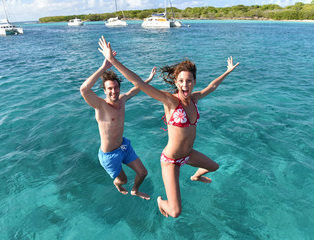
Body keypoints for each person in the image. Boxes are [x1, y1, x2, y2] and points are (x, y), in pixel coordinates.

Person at [98, 36, 239, 217]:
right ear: (176, 83)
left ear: (194, 82)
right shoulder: (170, 101)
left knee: (214, 166)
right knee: (175, 212)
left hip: (188, 155)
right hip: (171, 161)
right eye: (181, 81)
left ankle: (195, 176)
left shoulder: (194, 98)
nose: (185, 84)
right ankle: (160, 201)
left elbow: (212, 86)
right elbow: (139, 83)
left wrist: (227, 72)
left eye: (189, 80)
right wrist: (112, 60)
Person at [80, 52, 157, 200]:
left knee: (143, 173)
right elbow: (84, 90)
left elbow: (135, 89)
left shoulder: (122, 99)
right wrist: (104, 67)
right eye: (109, 88)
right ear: (104, 90)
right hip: (109, 155)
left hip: (123, 147)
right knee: (123, 180)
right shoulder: (100, 106)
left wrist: (148, 79)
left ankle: (135, 190)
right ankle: (118, 184)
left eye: (115, 87)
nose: (113, 91)